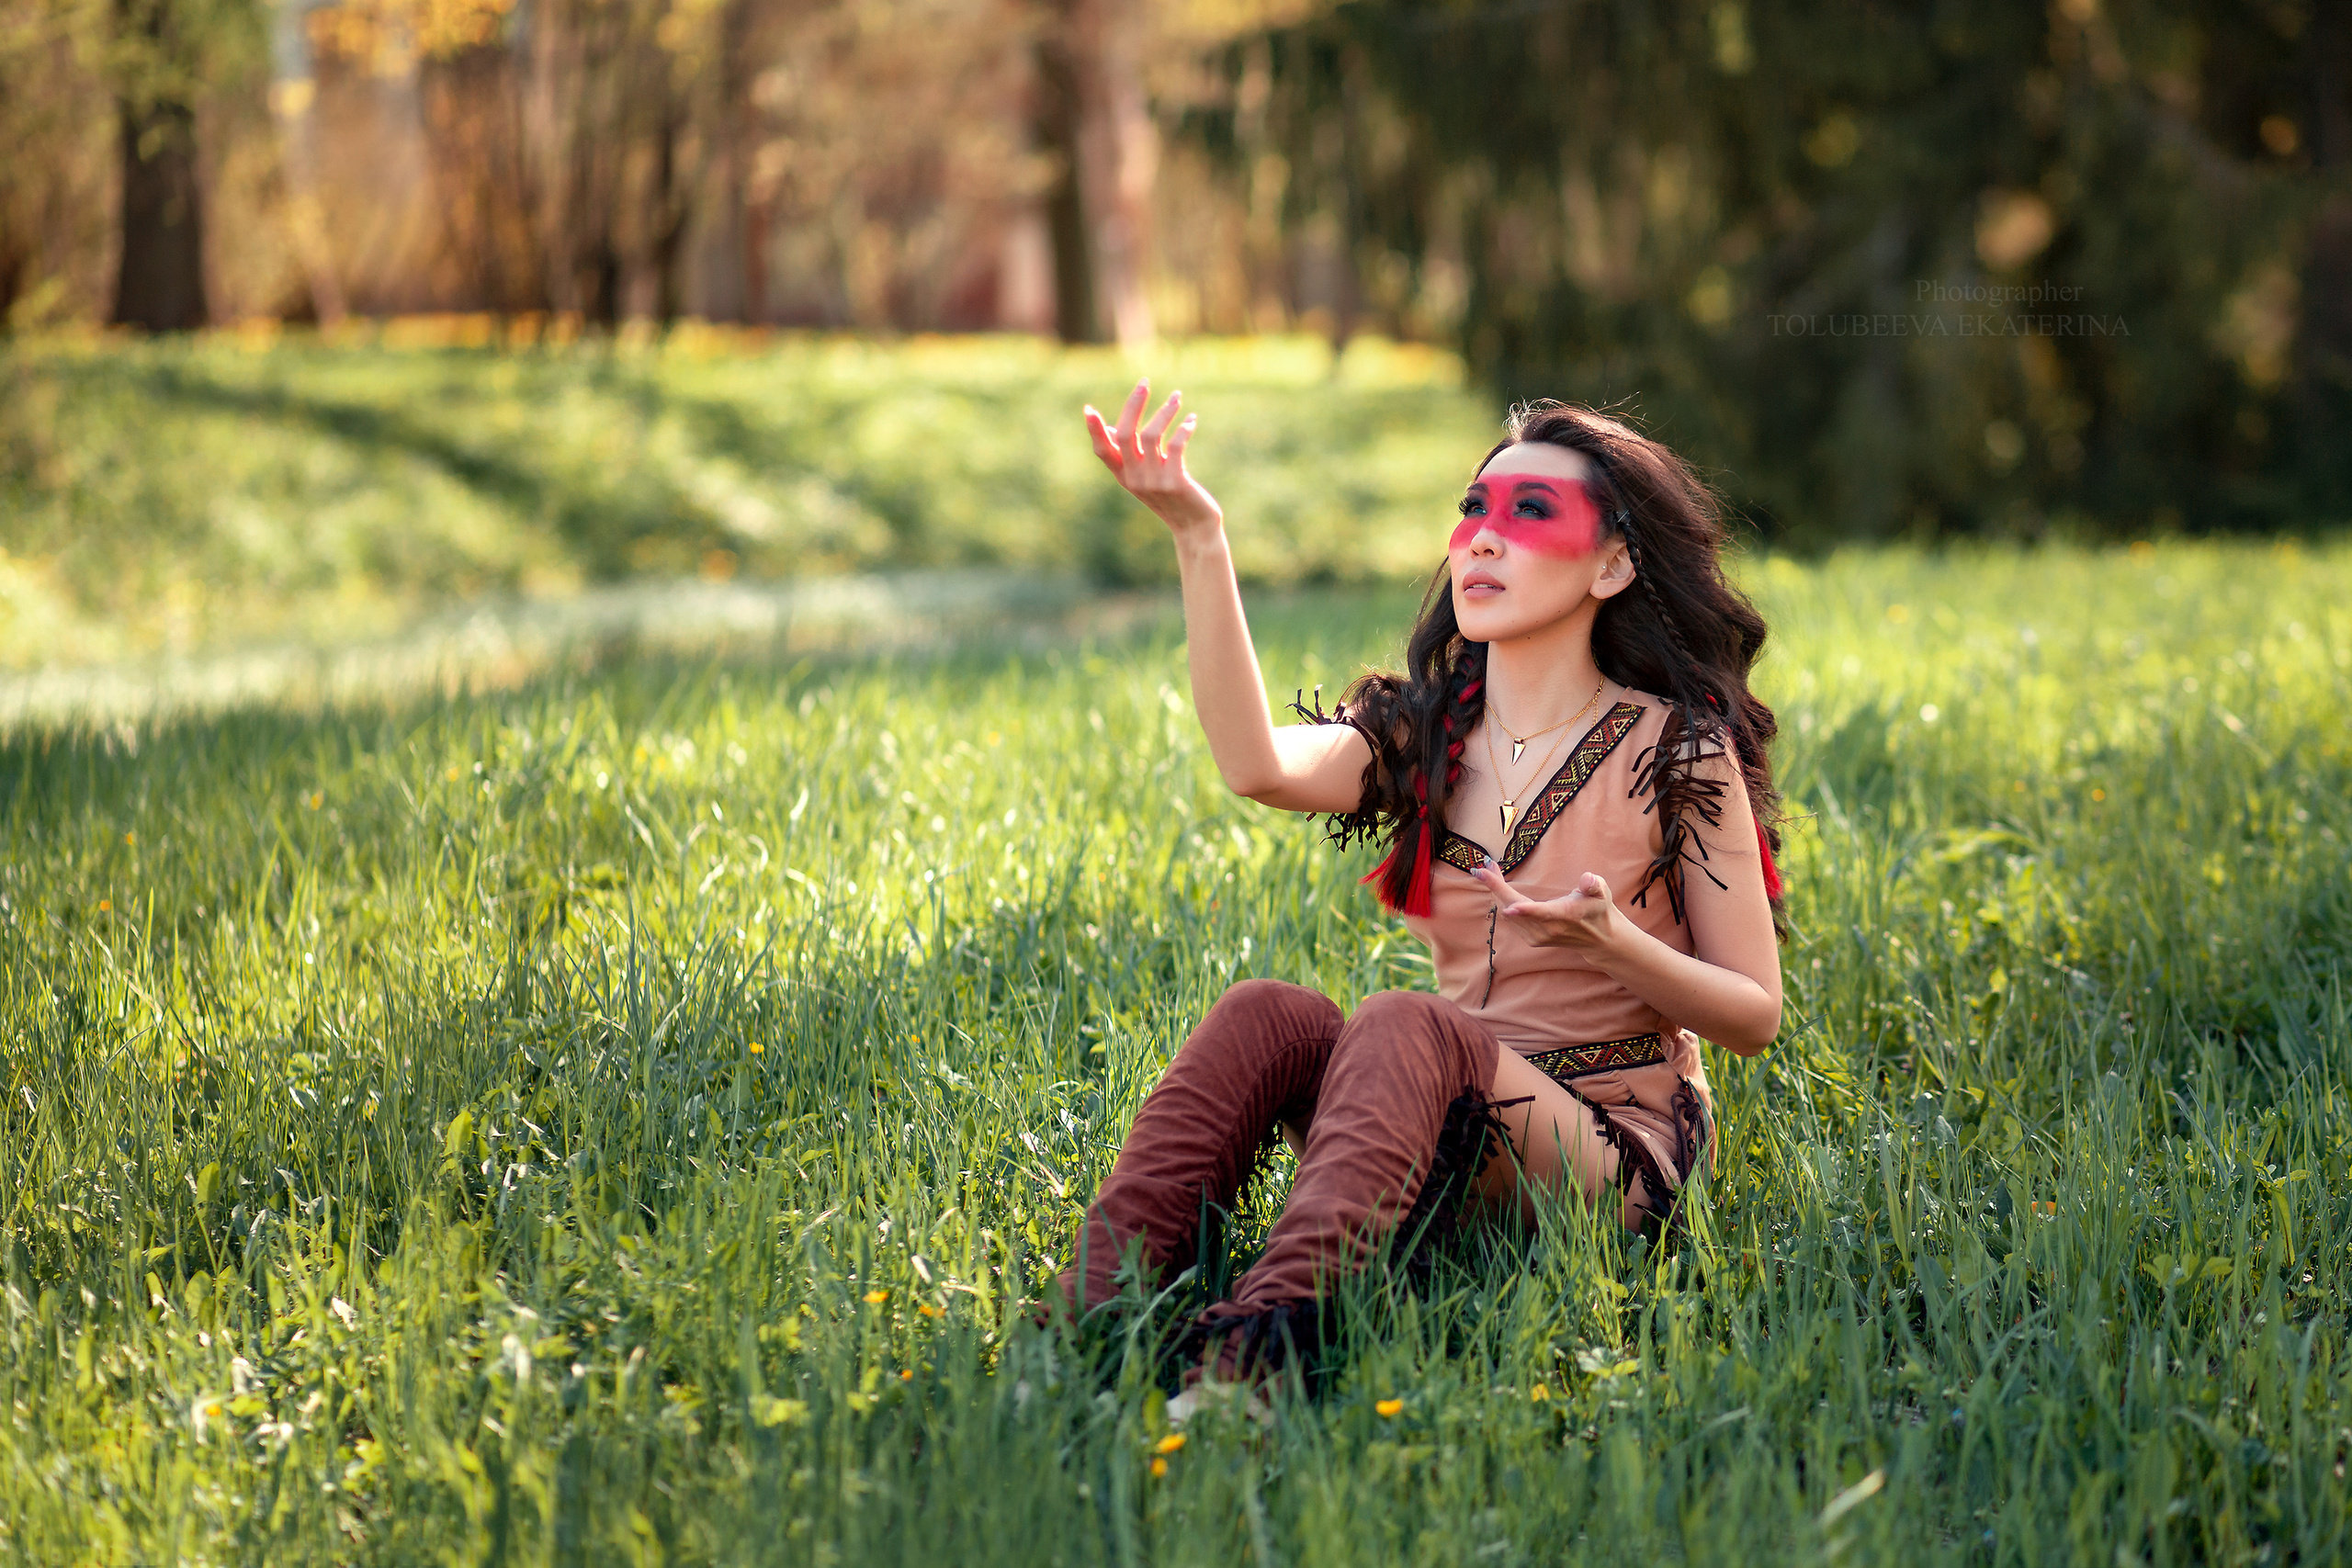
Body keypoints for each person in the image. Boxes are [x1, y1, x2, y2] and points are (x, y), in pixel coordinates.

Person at [1051, 382, 1786, 1395]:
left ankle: (1257, 1361)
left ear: (1613, 562)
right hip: (1435, 1126)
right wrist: (1199, 537)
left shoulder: (1678, 753)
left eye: (1531, 513)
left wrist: (1616, 945)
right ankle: (1084, 1323)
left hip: (1609, 1151)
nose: (1483, 538)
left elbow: (1754, 1016)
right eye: (1473, 510)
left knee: (1406, 1019)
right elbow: (1256, 764)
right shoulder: (1428, 735)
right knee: (1271, 1014)